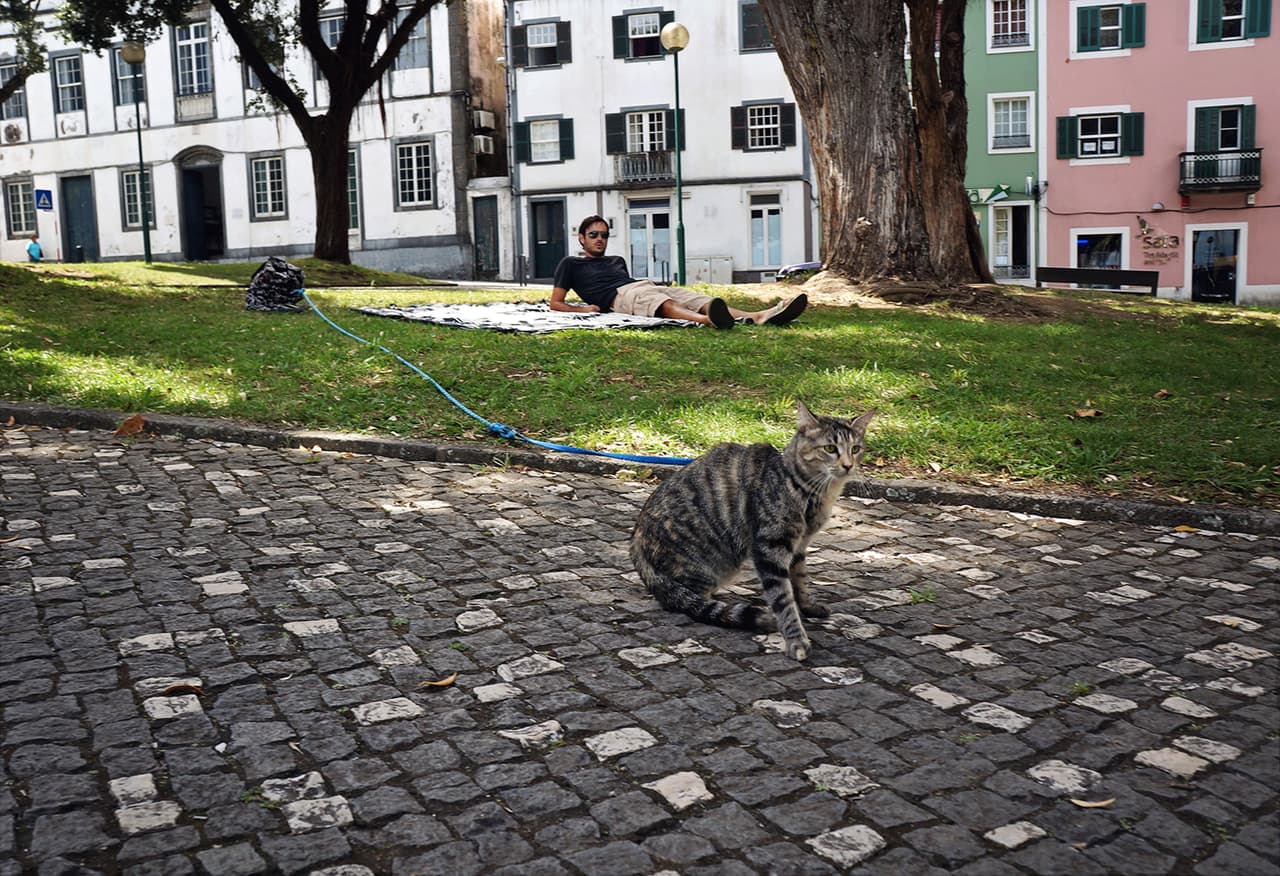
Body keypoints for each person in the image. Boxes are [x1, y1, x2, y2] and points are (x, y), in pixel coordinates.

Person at [551, 215, 807, 330]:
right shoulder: (570, 264)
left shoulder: (617, 259)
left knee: (699, 299)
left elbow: (632, 282)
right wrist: (584, 310)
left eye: (604, 235)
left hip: (642, 285)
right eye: (593, 235)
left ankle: (757, 316)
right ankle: (707, 322)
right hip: (617, 297)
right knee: (664, 302)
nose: (599, 239)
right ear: (581, 238)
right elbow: (556, 303)